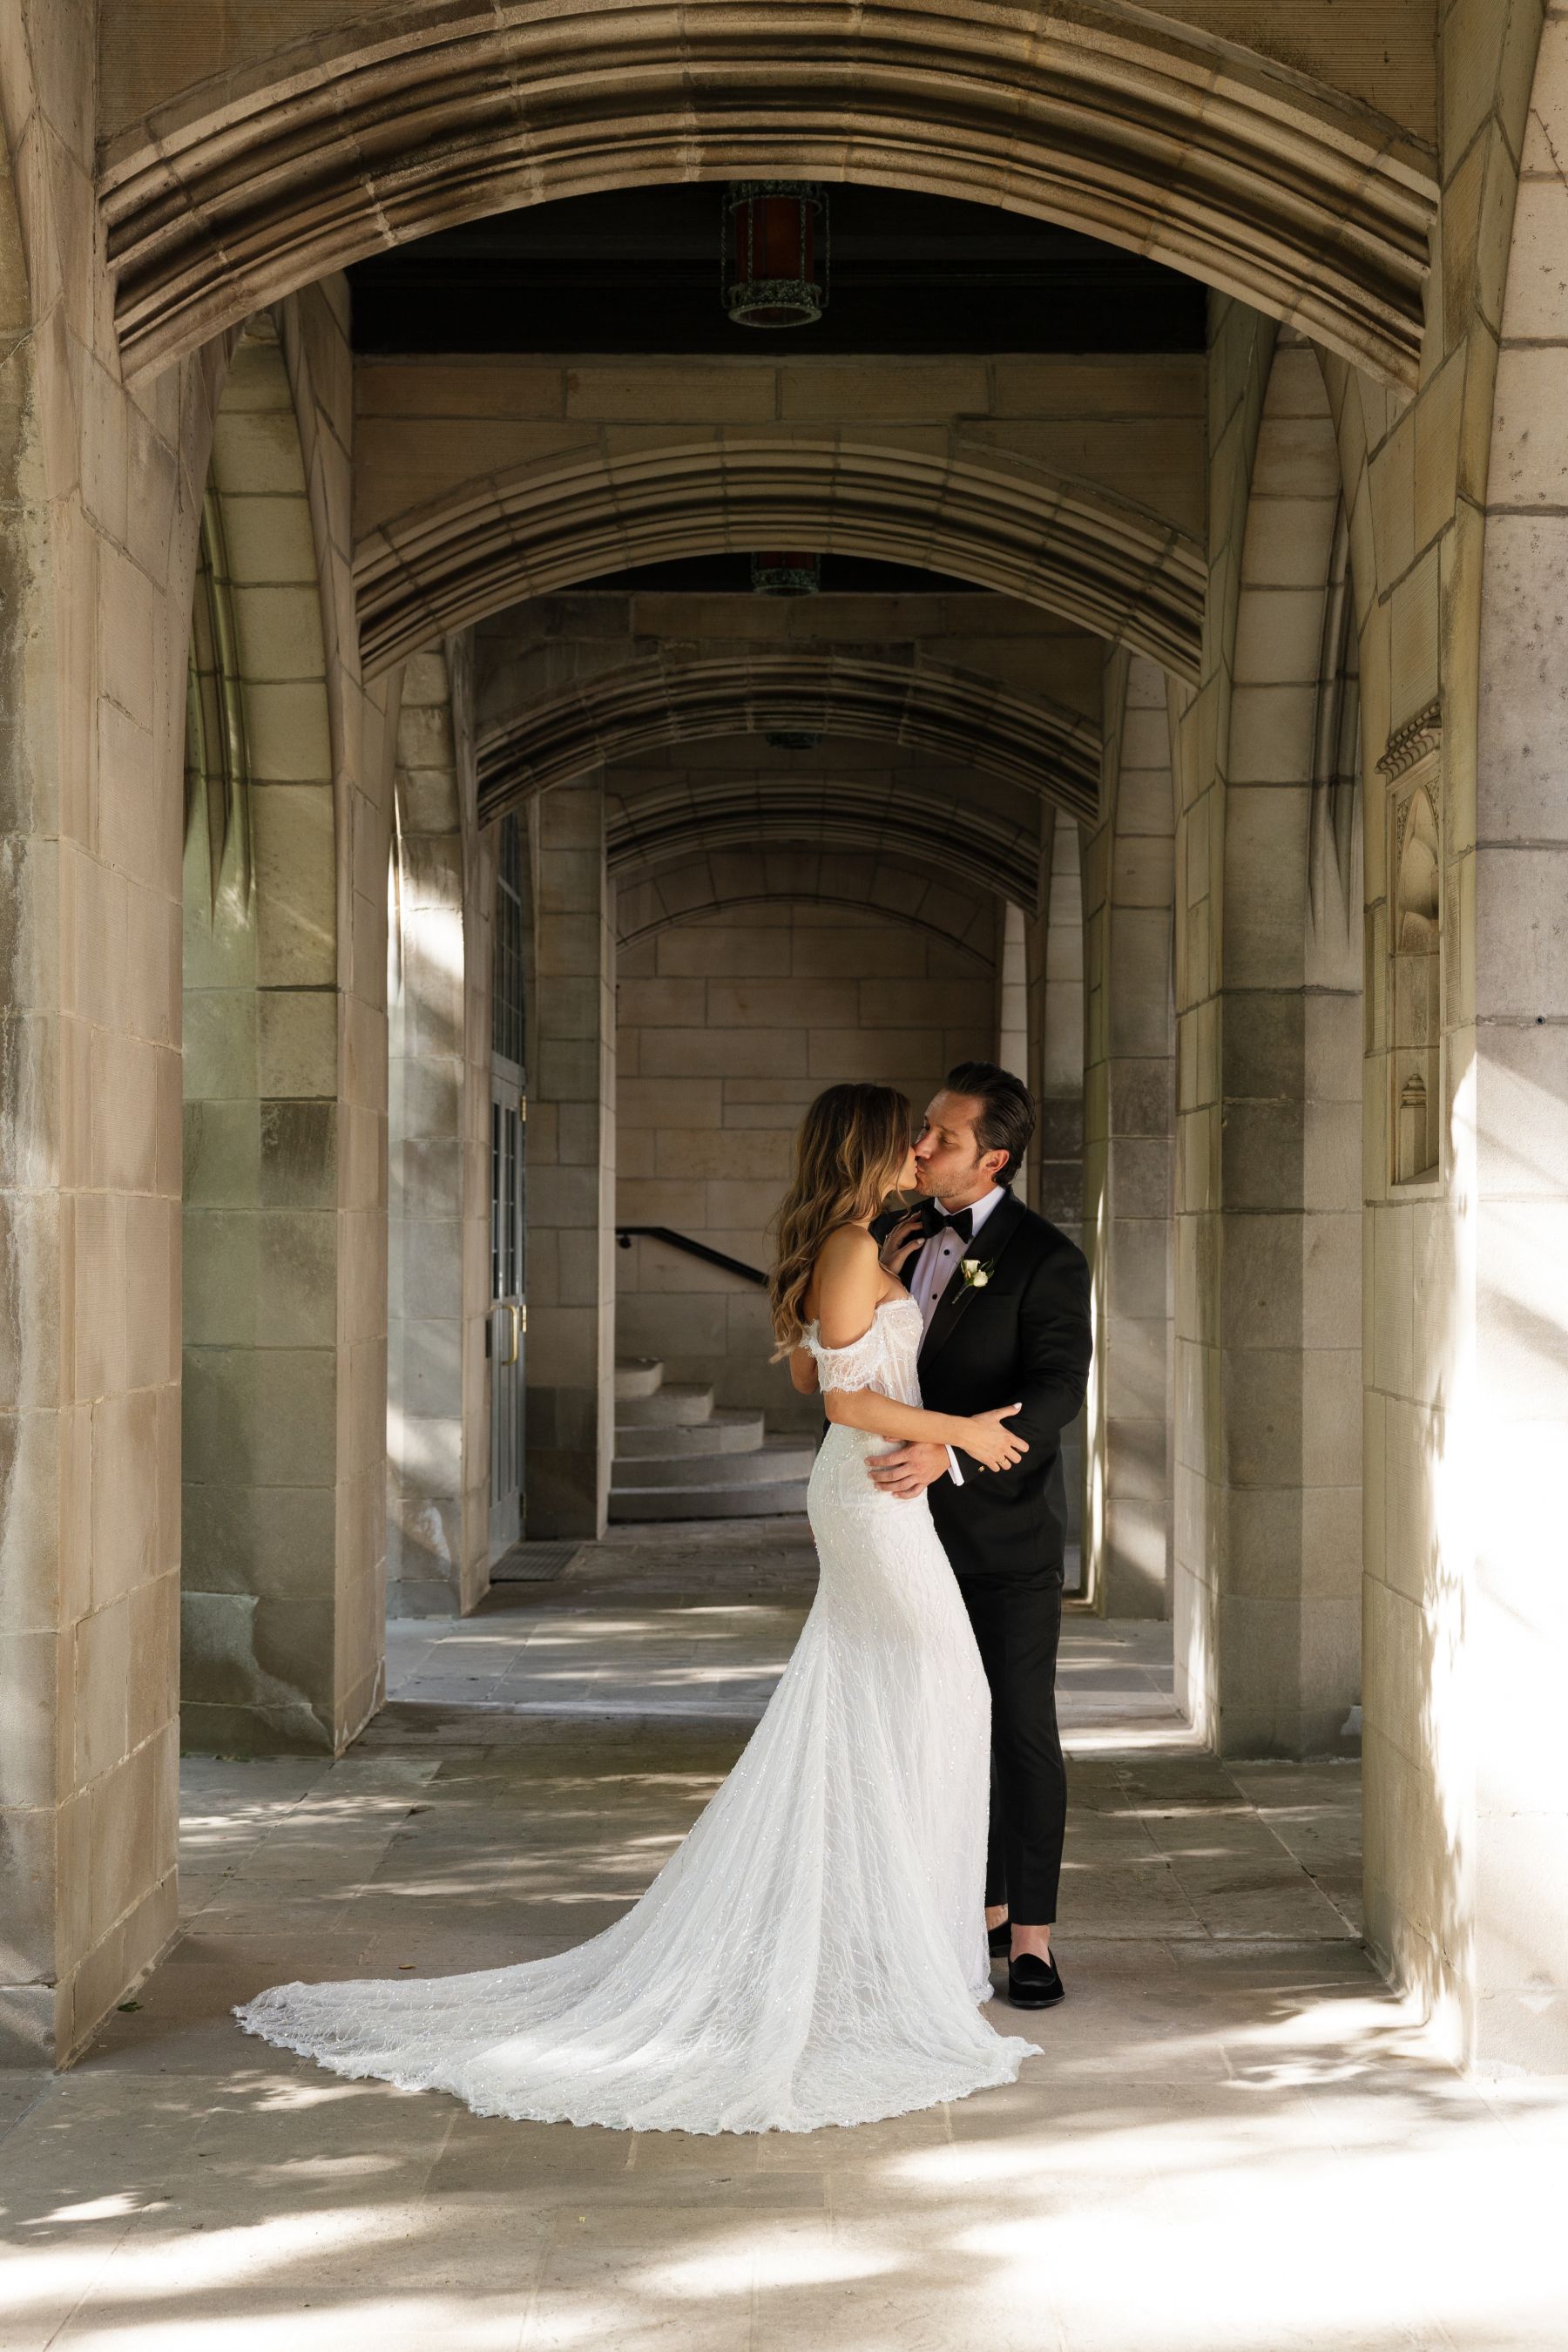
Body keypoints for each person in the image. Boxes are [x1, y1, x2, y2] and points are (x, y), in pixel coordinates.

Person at [234, 1081, 1042, 2134]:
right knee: (938, 1687)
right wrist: (962, 1430)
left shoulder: (863, 1240)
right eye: (910, 1134)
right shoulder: (853, 1247)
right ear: (871, 1147)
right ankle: (895, 1941)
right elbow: (840, 1399)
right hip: (868, 1497)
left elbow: (812, 1372)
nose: (922, 1147)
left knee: (900, 1700)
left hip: (880, 1492)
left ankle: (890, 1934)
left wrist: (907, 1396)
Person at [871, 1062, 1092, 2011]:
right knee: (919, 1725)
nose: (921, 1148)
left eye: (944, 1139)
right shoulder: (887, 1236)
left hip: (1000, 1539)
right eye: (923, 1130)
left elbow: (1053, 1397)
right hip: (892, 1531)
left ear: (993, 1158)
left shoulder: (1047, 1257)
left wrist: (948, 1458)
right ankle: (970, 1907)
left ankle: (1030, 1938)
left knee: (1019, 1728)